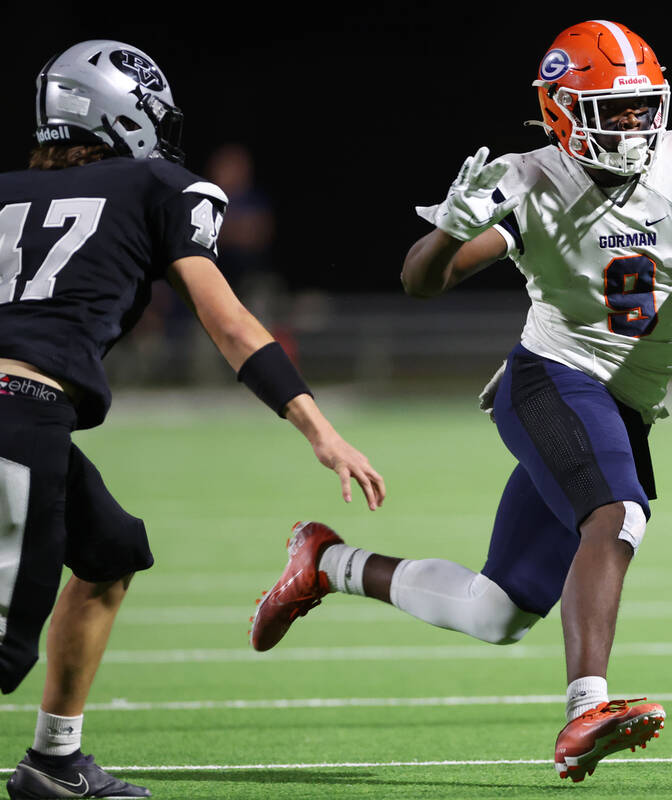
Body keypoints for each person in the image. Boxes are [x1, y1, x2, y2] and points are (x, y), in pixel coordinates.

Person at [249, 19, 672, 783]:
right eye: (610, 108)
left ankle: (328, 563)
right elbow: (423, 280)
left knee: (500, 612)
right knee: (617, 515)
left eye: (639, 105)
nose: (630, 124)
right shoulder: (528, 181)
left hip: (622, 405)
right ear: (561, 110)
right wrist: (448, 233)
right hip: (551, 379)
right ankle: (585, 709)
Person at [0, 40, 385, 799]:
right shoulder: (159, 184)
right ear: (121, 113)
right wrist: (319, 428)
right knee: (2, 649)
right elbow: (233, 326)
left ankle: (54, 760)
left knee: (111, 551)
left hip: (29, 419)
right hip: (20, 415)